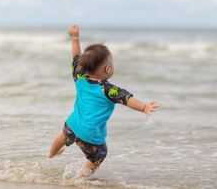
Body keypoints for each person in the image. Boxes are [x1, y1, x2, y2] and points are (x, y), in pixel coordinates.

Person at [47, 25, 159, 177]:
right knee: (99, 156)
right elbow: (126, 99)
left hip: (72, 125)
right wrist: (144, 107)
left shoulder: (79, 75)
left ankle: (51, 153)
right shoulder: (106, 89)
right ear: (108, 69)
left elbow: (75, 56)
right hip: (90, 135)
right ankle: (80, 178)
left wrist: (75, 38)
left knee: (62, 135)